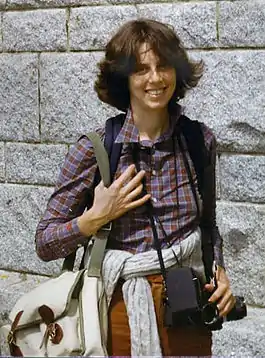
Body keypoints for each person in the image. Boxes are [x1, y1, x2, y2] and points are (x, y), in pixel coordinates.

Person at [35, 18, 235, 356]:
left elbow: (207, 226)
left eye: (163, 66)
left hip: (189, 306)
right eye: (141, 69)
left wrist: (219, 272)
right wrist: (95, 218)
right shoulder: (95, 149)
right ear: (124, 78)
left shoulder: (198, 142)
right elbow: (45, 242)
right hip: (117, 312)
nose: (155, 79)